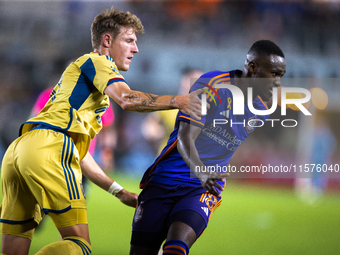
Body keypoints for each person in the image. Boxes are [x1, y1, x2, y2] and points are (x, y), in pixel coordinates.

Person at [0, 8, 204, 255]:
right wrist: (179, 101)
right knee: (79, 246)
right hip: (51, 147)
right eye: (129, 41)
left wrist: (117, 191)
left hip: (20, 150)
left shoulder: (79, 84)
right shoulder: (98, 61)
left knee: (14, 247)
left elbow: (79, 153)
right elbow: (128, 99)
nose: (135, 49)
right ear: (107, 40)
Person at [129, 40, 286, 255]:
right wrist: (202, 171)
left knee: (176, 249)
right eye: (274, 74)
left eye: (281, 76)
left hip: (202, 189)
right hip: (167, 178)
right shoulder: (212, 83)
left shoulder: (264, 108)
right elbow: (186, 137)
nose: (277, 82)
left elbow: (227, 142)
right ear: (252, 67)